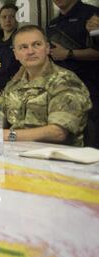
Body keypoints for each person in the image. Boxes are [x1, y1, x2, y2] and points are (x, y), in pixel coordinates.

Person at [0, 25, 92, 147]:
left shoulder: (65, 81)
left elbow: (58, 132)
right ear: (16, 54)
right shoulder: (14, 85)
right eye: (23, 47)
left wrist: (8, 135)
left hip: (57, 158)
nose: (30, 51)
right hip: (16, 155)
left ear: (47, 48)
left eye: (36, 45)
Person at [47, 0, 99, 148]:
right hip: (60, 90)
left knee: (92, 139)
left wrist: (68, 53)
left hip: (90, 88)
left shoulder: (92, 15)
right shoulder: (53, 23)